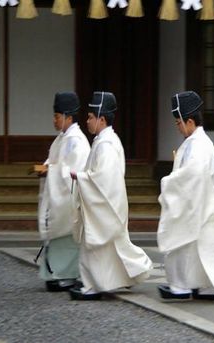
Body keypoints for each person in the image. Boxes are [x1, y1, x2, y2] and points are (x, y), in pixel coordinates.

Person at [69, 91, 153, 300]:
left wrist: (80, 177)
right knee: (111, 247)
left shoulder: (106, 145)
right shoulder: (105, 141)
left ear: (102, 119)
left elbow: (103, 179)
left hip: (105, 203)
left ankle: (94, 286)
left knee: (98, 246)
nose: (87, 121)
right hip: (108, 203)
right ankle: (104, 281)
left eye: (90, 117)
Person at [157, 91, 214, 300]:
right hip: (200, 205)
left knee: (188, 248)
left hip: (199, 205)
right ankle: (200, 287)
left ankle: (184, 287)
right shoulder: (197, 142)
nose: (177, 127)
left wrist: (169, 181)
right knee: (199, 250)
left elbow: (193, 176)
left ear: (190, 121)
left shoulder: (198, 144)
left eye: (178, 122)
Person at [37, 91, 90, 292]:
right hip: (59, 196)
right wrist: (47, 168)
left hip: (68, 199)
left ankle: (67, 274)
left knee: (67, 237)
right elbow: (55, 163)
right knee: (59, 238)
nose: (54, 120)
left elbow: (71, 172)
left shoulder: (76, 140)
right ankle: (55, 273)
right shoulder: (63, 139)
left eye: (57, 116)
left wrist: (50, 170)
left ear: (68, 117)